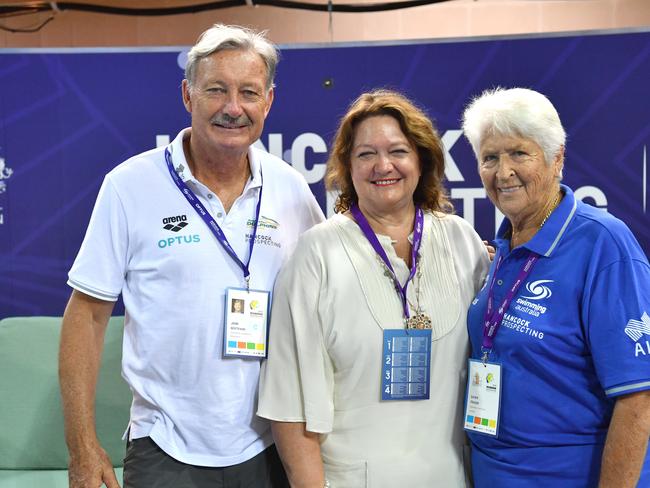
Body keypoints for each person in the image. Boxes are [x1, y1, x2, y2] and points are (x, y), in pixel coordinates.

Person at [59, 24, 324, 488]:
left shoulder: (292, 190)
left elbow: (334, 287)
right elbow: (87, 314)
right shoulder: (129, 186)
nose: (232, 108)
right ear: (188, 95)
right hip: (164, 446)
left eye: (248, 93)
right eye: (216, 90)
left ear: (268, 102)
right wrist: (82, 447)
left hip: (273, 442)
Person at [257, 89, 490, 487]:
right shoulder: (316, 253)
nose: (383, 165)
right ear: (347, 167)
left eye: (398, 150)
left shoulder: (462, 242)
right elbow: (289, 406)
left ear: (422, 159)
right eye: (366, 154)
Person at [461, 87, 650, 487]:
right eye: (490, 158)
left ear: (557, 157)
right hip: (494, 472)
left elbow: (639, 399)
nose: (503, 171)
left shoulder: (603, 243)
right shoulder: (500, 248)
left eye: (518, 153)